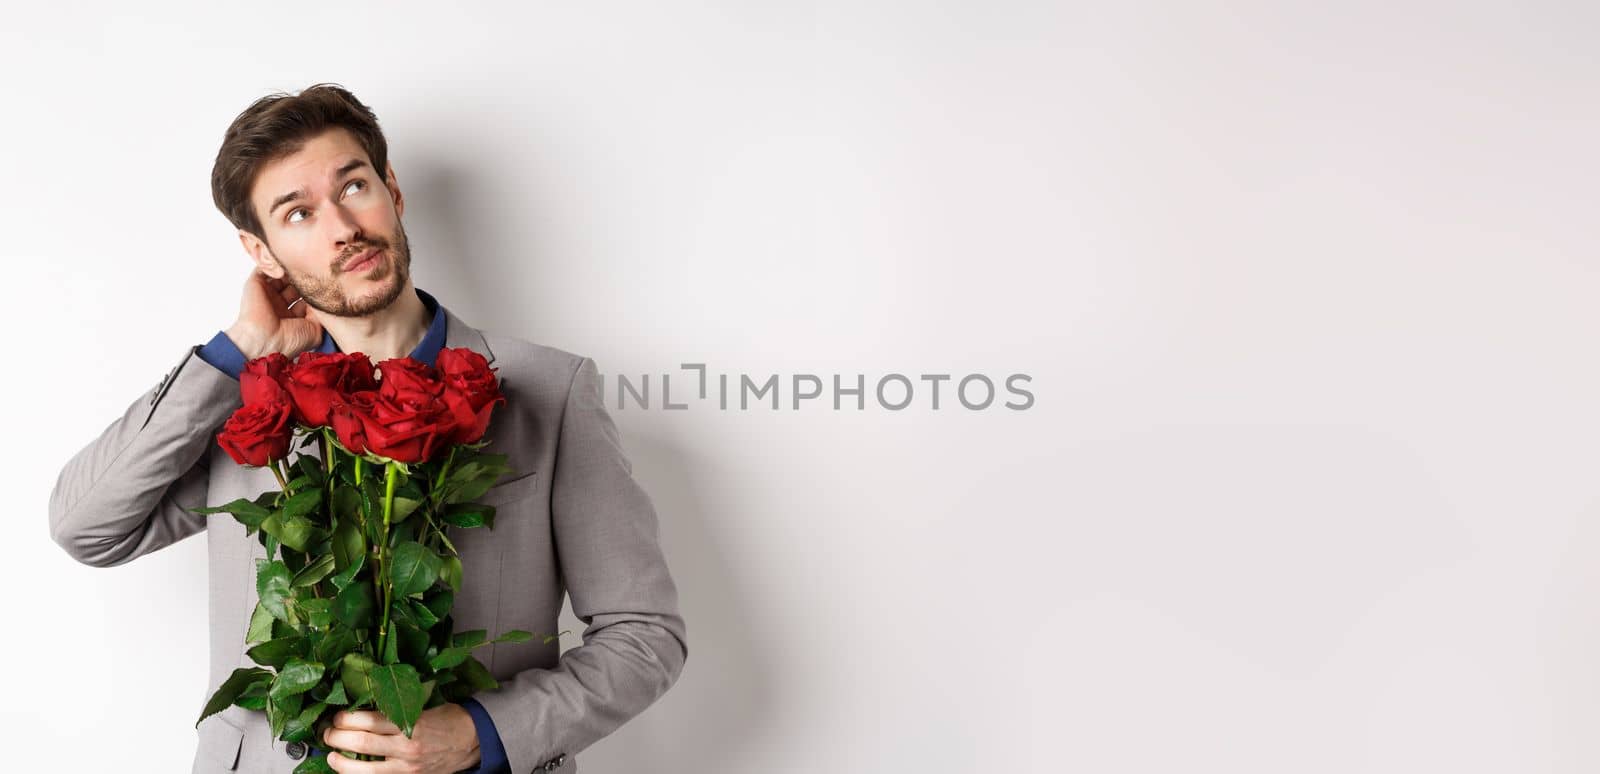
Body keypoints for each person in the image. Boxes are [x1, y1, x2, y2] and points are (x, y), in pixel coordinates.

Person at [47, 83, 687, 774]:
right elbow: (87, 526)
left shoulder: (550, 390)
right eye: (298, 214)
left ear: (393, 191)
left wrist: (482, 734)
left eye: (353, 186)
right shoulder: (240, 404)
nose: (342, 227)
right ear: (260, 253)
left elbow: (644, 636)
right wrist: (237, 349)